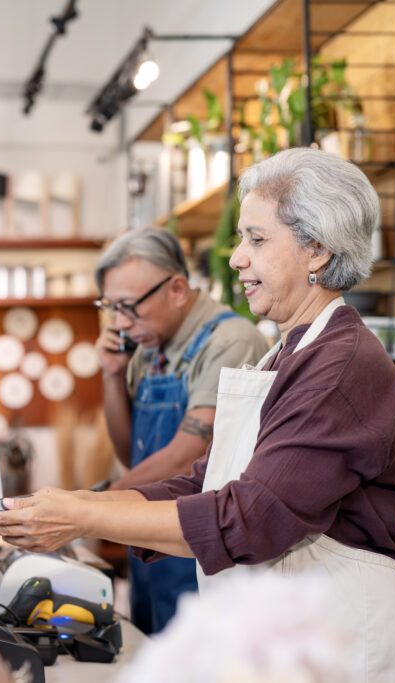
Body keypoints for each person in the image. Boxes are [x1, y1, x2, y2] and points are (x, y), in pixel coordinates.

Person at [0, 147, 395, 680]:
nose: (235, 258)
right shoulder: (289, 352)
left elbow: (248, 519)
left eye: (257, 238)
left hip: (350, 647)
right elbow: (206, 482)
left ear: (316, 249)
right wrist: (77, 501)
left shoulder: (340, 365)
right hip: (296, 635)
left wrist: (82, 516)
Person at [92, 227, 268, 634]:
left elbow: (185, 456)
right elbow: (131, 454)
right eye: (110, 308)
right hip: (151, 544)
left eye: (128, 307)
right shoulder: (149, 349)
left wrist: (90, 506)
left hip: (200, 550)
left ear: (175, 289)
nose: (120, 323)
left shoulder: (229, 342)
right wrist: (113, 377)